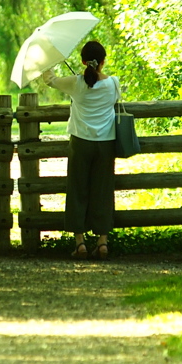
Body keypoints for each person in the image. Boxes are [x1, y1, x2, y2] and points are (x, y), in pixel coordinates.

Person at [42, 40, 120, 260]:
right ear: (103, 61)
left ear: (83, 61)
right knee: (103, 191)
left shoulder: (75, 83)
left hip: (80, 143)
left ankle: (80, 243)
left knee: (78, 191)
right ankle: (103, 242)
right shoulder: (114, 83)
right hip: (106, 144)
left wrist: (50, 60)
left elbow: (50, 80)